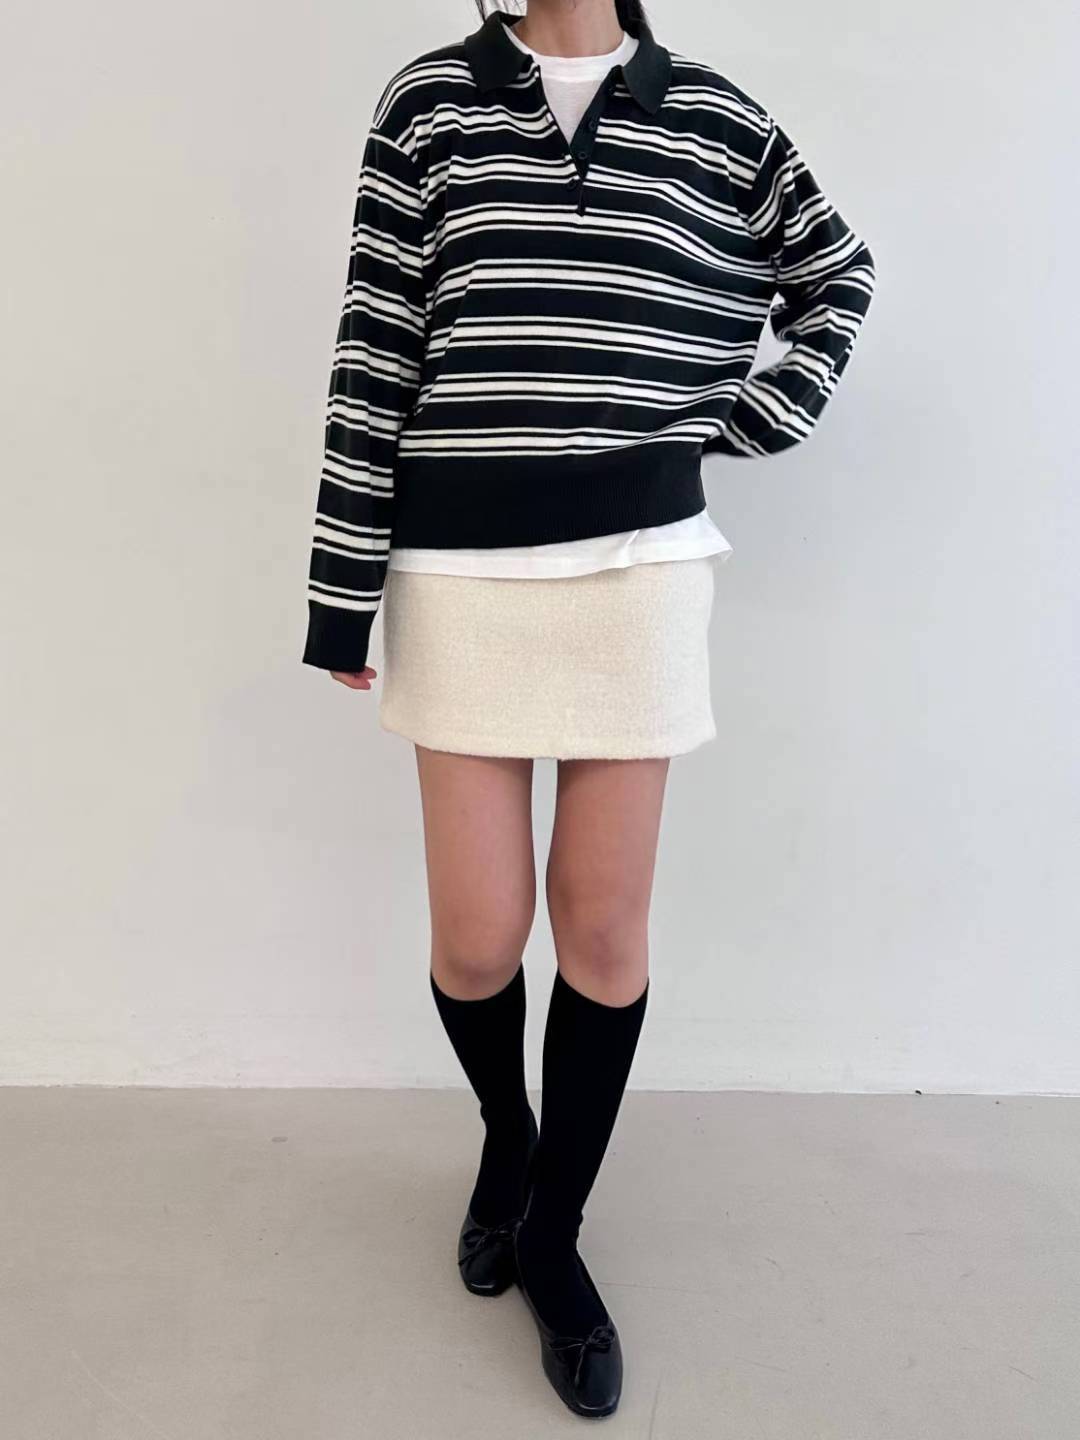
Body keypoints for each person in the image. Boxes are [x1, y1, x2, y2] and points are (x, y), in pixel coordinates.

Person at [301, 0, 875, 1418]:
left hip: (639, 573)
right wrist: (340, 589)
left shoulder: (717, 114)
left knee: (604, 930)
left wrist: (737, 419)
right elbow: (376, 348)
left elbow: (836, 273)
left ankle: (553, 1236)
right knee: (478, 934)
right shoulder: (429, 100)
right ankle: (510, 1139)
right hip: (458, 569)